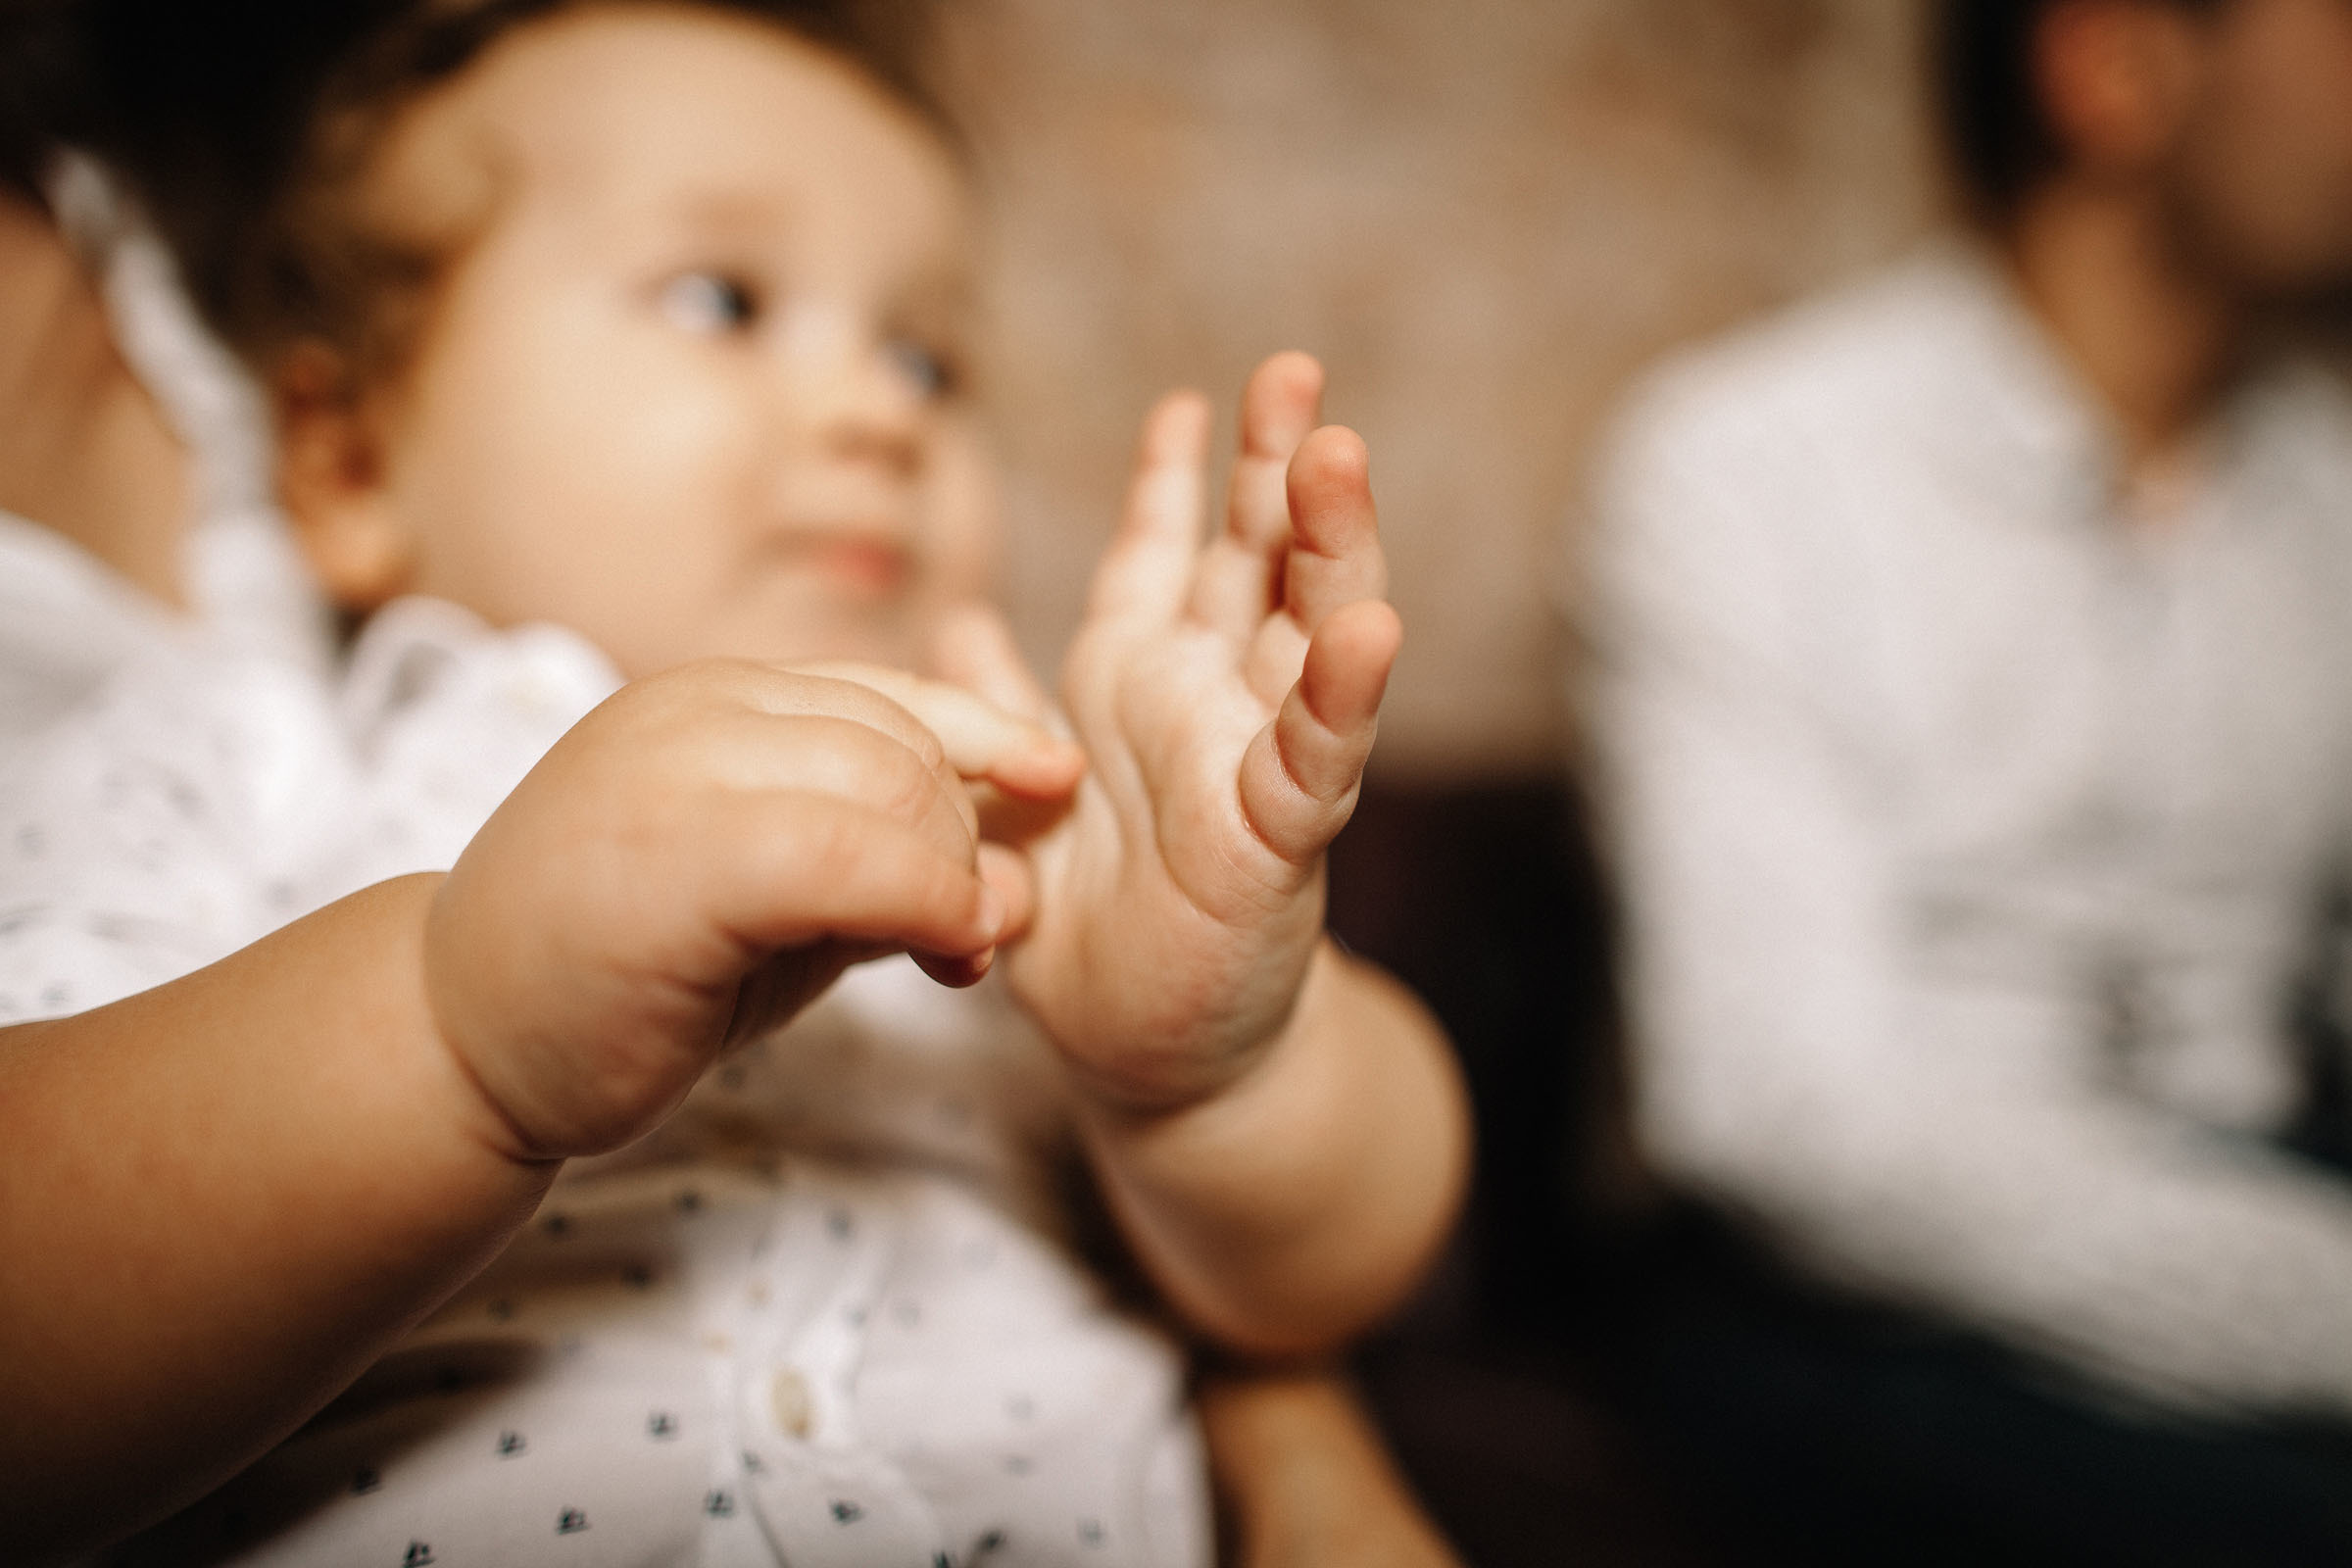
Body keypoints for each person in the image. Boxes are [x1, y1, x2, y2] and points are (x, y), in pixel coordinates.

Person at [0, 2, 1469, 1561]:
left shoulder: (1028, 816)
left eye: (927, 355)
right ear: (350, 461)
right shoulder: (239, 749)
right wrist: (449, 1028)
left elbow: (1336, 1270)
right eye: (721, 299)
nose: (877, 412)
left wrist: (1211, 1071)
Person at [1584, 0, 2352, 1557]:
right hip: (1873, 1295)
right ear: (2113, 65)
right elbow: (1780, 1114)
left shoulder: (2328, 483)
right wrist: (2317, 1300)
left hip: (2270, 1166)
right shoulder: (1756, 463)